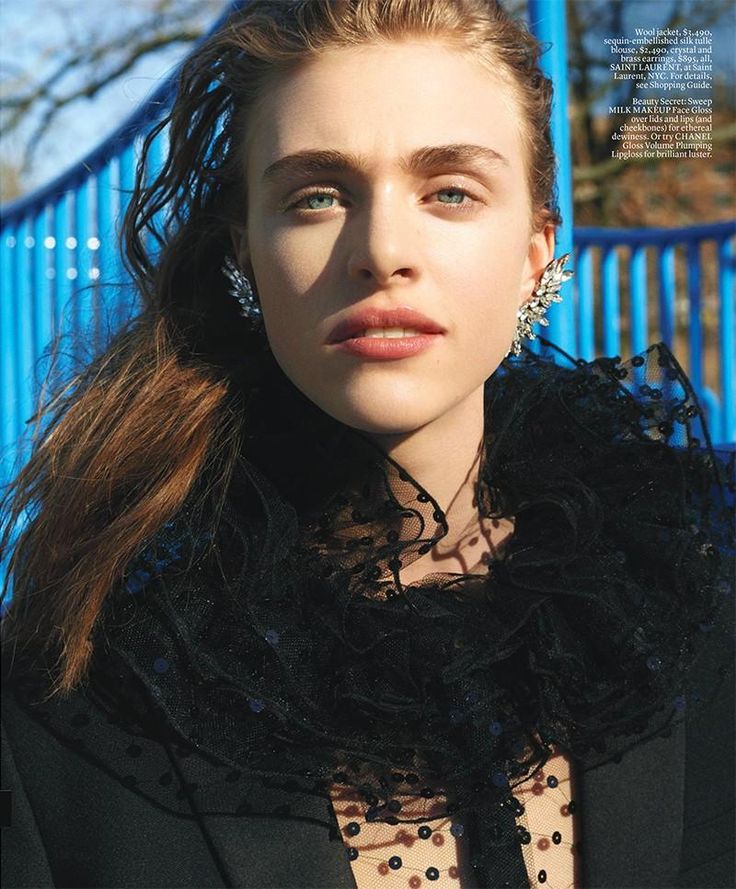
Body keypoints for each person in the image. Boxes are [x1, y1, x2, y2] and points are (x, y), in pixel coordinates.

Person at [1, 1, 733, 887]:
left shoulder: (699, 591)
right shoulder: (66, 699)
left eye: (450, 192)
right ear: (245, 256)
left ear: (539, 251)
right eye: (317, 195)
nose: (383, 250)